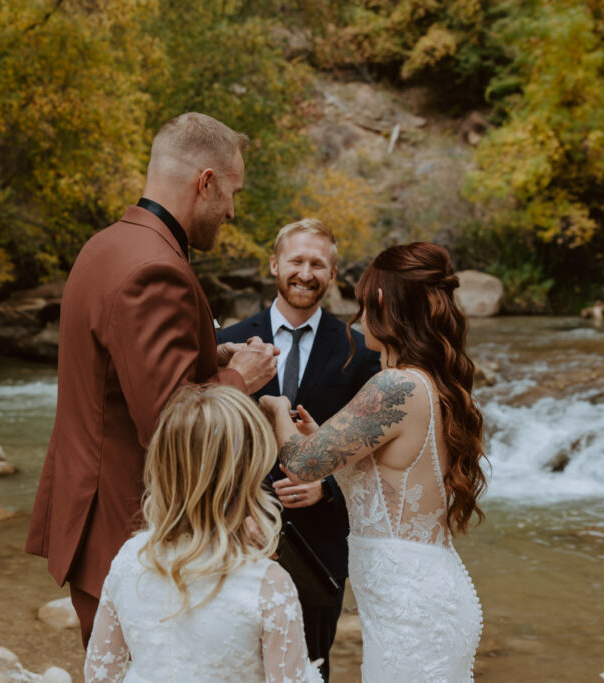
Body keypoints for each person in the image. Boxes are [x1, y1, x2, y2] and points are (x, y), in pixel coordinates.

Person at [25, 112, 279, 648]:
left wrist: (211, 356)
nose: (232, 211)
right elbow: (168, 421)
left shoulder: (106, 245)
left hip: (94, 518)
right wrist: (241, 376)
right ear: (205, 182)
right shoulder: (152, 268)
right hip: (129, 527)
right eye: (232, 193)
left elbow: (124, 375)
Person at [259, 242, 487, 682]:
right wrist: (323, 441)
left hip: (411, 610)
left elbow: (302, 464)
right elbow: (380, 472)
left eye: (365, 299)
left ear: (381, 302)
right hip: (414, 599)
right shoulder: (426, 382)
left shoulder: (394, 386)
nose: (358, 311)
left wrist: (276, 406)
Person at [217, 218, 380, 680]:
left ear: (331, 275)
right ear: (274, 264)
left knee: (310, 669)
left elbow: (374, 457)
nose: (306, 273)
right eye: (296, 260)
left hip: (318, 548)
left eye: (318, 264)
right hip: (234, 535)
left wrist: (328, 486)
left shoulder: (359, 351)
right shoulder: (223, 344)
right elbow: (205, 442)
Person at [84, 384, 322, 683]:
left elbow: (101, 675)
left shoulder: (131, 558)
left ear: (163, 464)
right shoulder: (268, 583)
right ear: (249, 472)